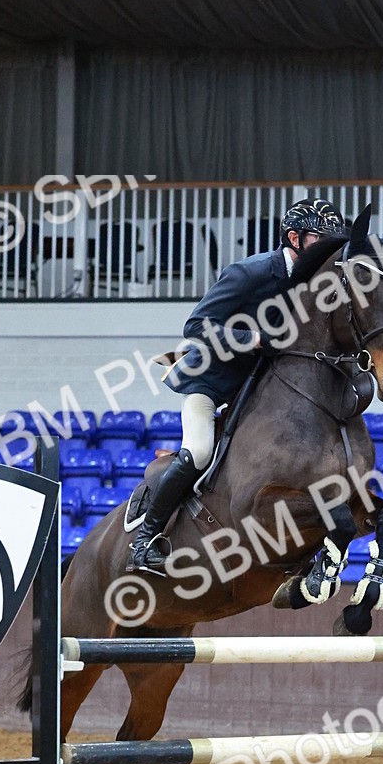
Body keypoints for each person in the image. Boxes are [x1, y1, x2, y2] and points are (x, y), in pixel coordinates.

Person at [127, 198, 348, 573]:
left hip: (260, 390)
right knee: (198, 452)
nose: (333, 251)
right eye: (322, 240)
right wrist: (256, 339)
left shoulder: (318, 283)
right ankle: (144, 540)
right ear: (293, 238)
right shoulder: (250, 272)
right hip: (213, 384)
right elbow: (196, 327)